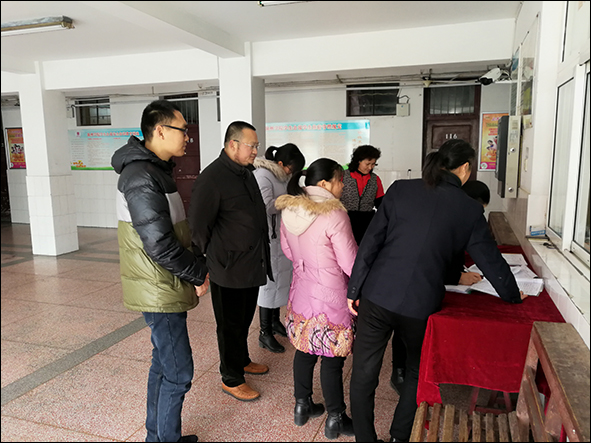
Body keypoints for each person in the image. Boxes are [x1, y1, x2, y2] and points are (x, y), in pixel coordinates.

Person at [347, 139, 527, 443]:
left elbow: (370, 243)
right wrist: (511, 294)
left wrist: (354, 288)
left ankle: (365, 438)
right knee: (416, 372)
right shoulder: (469, 208)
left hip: (377, 295)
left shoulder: (401, 189)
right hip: (420, 305)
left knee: (364, 372)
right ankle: (400, 436)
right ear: (465, 168)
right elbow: (491, 261)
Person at [111, 99, 210, 443]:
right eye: (183, 130)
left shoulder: (154, 171)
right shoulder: (141, 176)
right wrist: (198, 273)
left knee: (163, 363)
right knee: (179, 372)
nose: (188, 137)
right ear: (160, 130)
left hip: (163, 282)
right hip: (158, 287)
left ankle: (159, 436)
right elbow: (160, 244)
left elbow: (173, 232)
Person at [188, 121, 273, 402]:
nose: (255, 151)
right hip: (228, 267)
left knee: (244, 319)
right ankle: (231, 377)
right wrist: (204, 264)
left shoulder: (245, 173)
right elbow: (198, 226)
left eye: (256, 145)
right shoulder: (212, 178)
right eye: (252, 145)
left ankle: (242, 360)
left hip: (250, 263)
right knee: (229, 325)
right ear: (233, 144)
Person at [275, 158, 358, 440]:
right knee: (332, 357)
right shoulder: (334, 214)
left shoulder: (290, 210)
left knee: (305, 349)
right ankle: (336, 418)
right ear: (324, 184)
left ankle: (302, 406)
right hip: (331, 295)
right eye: (339, 180)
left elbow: (288, 251)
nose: (343, 186)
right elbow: (350, 263)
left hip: (301, 291)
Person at [389, 179, 491, 394]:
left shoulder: (457, 214)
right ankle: (400, 372)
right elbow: (429, 258)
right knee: (405, 329)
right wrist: (456, 277)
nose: (480, 215)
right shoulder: (445, 217)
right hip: (411, 284)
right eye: (480, 209)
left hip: (426, 283)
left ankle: (414, 372)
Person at [253, 143, 306, 354]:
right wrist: (290, 200)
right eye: (291, 169)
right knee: (269, 285)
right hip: (268, 237)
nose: (291, 173)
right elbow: (266, 206)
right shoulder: (263, 175)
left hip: (281, 236)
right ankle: (264, 332)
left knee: (280, 282)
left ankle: (274, 322)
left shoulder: (281, 176)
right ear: (281, 163)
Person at [340, 144, 385, 245]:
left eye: (373, 164)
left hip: (367, 221)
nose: (370, 167)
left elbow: (380, 202)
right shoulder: (343, 176)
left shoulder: (375, 179)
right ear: (358, 161)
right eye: (367, 164)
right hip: (345, 219)